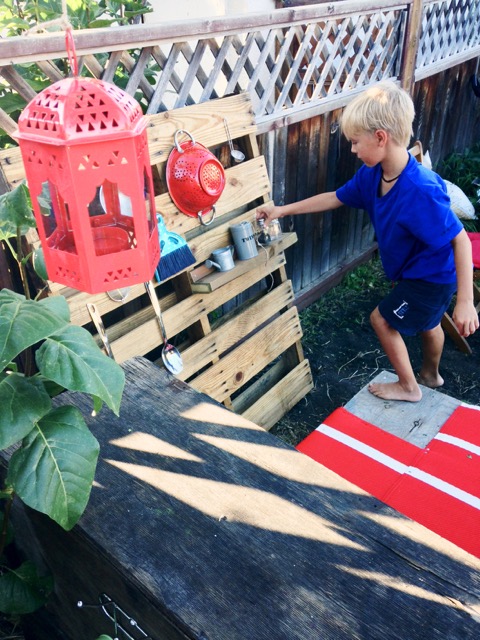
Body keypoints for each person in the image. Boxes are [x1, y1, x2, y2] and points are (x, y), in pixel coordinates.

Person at [256, 81, 479, 402]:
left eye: (355, 142)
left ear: (380, 137)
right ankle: (431, 376)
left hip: (431, 277)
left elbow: (461, 240)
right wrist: (281, 210)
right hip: (420, 272)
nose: (352, 150)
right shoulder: (373, 175)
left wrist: (466, 301)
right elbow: (335, 197)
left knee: (382, 320)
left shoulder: (420, 190)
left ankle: (409, 387)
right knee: (430, 324)